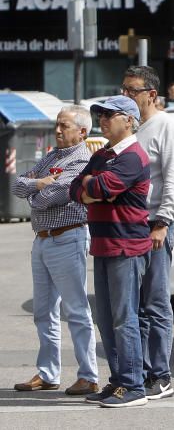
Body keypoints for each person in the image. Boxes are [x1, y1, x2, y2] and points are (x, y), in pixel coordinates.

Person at [69, 96, 151, 408]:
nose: (102, 120)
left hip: (125, 246)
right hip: (104, 245)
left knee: (124, 318)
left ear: (129, 120)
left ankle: (133, 385)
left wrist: (92, 188)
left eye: (109, 115)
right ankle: (118, 381)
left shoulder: (132, 156)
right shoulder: (103, 154)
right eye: (100, 115)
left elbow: (100, 189)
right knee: (106, 318)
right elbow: (76, 188)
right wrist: (91, 187)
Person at [12, 106, 99, 396]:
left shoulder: (83, 160)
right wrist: (38, 183)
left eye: (64, 126)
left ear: (82, 131)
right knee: (44, 311)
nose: (58, 130)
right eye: (57, 125)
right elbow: (18, 185)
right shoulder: (51, 156)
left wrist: (38, 190)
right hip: (43, 239)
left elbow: (50, 196)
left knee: (75, 310)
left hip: (68, 238)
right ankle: (49, 373)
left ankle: (88, 374)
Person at [121, 66, 174, 402]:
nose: (127, 96)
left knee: (156, 303)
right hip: (129, 225)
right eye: (124, 89)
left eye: (132, 90)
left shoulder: (166, 126)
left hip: (154, 225)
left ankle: (161, 375)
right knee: (135, 307)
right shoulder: (131, 129)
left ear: (151, 95)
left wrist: (162, 222)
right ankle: (142, 373)